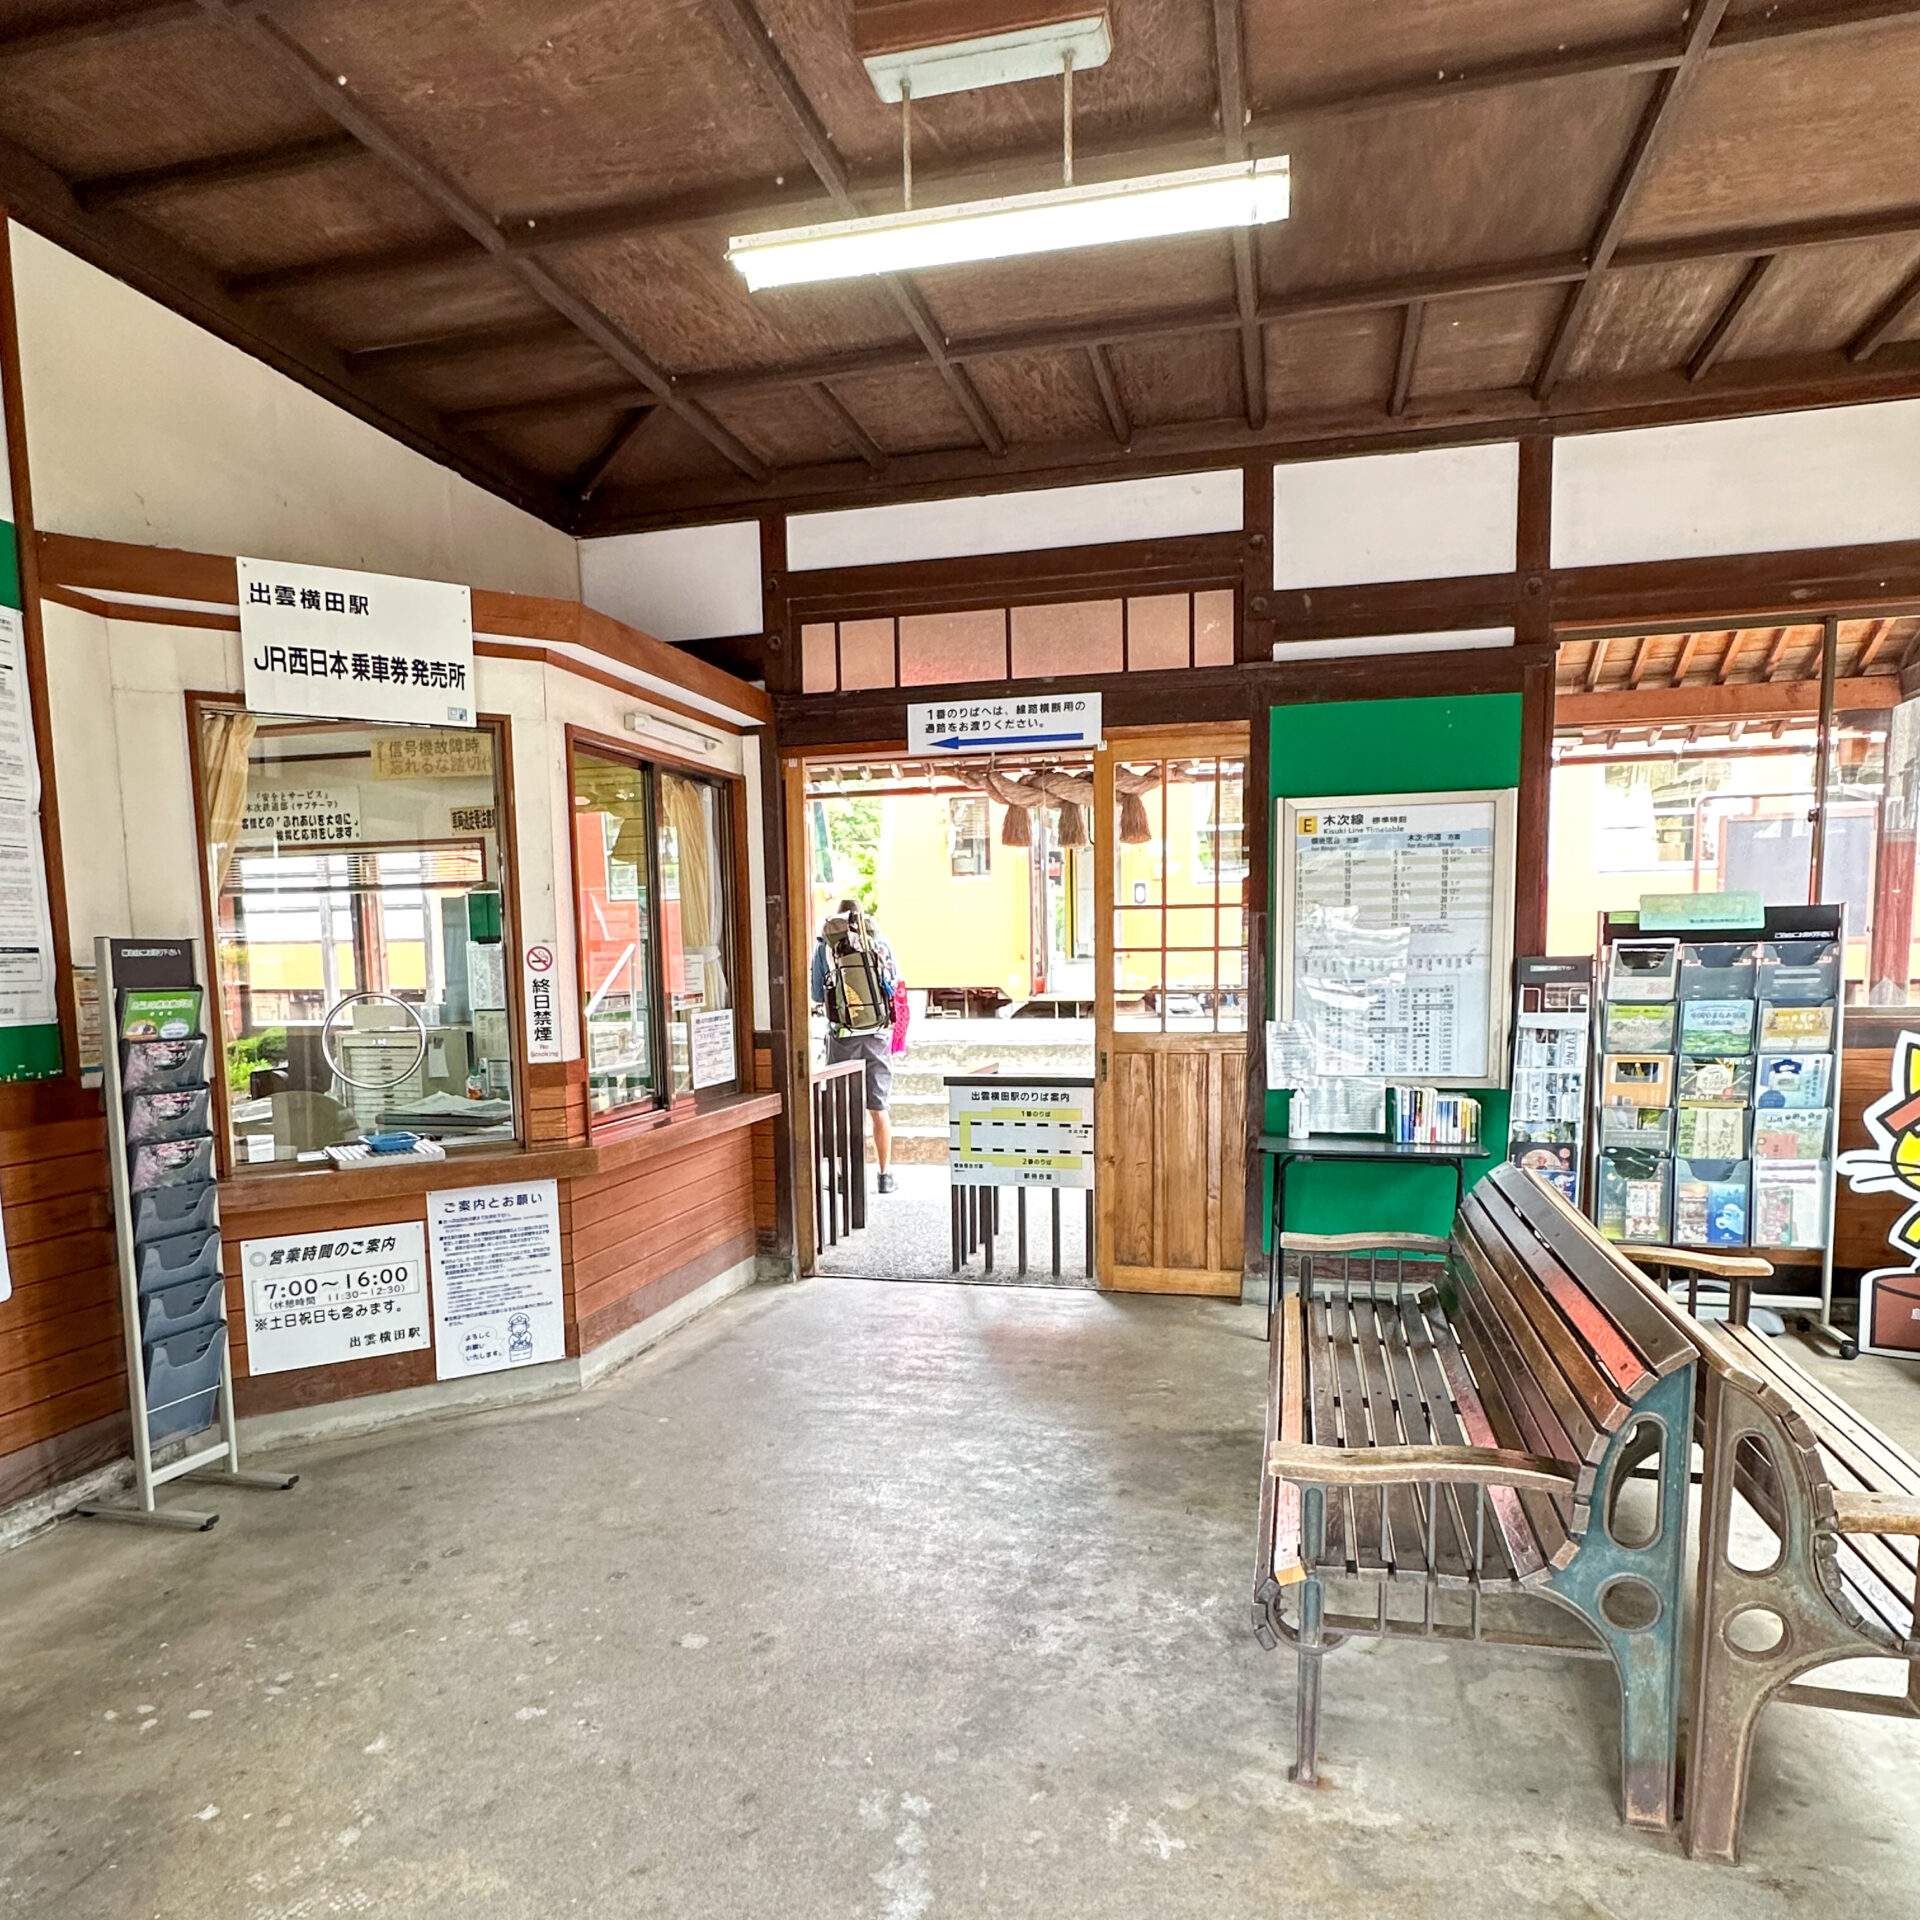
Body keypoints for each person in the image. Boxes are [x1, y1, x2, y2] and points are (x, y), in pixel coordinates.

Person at [812, 898, 900, 1193]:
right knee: (878, 1106)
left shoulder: (824, 946)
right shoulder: (879, 941)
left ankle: (841, 1177)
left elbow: (816, 993)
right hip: (876, 1034)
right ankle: (885, 1175)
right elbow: (895, 980)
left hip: (842, 1036)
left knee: (840, 1107)